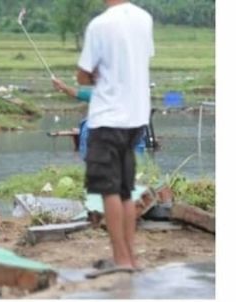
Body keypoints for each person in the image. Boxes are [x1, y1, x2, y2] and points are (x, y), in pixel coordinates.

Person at [77, 0, 154, 272]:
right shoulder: (144, 19)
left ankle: (121, 260)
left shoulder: (100, 24)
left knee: (108, 189)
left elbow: (83, 75)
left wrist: (96, 74)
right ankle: (131, 257)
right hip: (136, 118)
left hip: (108, 118)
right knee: (125, 190)